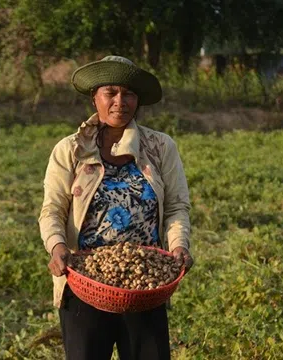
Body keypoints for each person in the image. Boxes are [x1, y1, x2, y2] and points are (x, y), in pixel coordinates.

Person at [38, 55, 193, 360]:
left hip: (146, 286)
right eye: (110, 92)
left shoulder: (160, 147)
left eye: (129, 93)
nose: (120, 101)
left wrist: (179, 245)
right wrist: (57, 247)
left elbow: (177, 206)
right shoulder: (70, 150)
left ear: (138, 101)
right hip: (84, 283)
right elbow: (52, 210)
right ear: (94, 97)